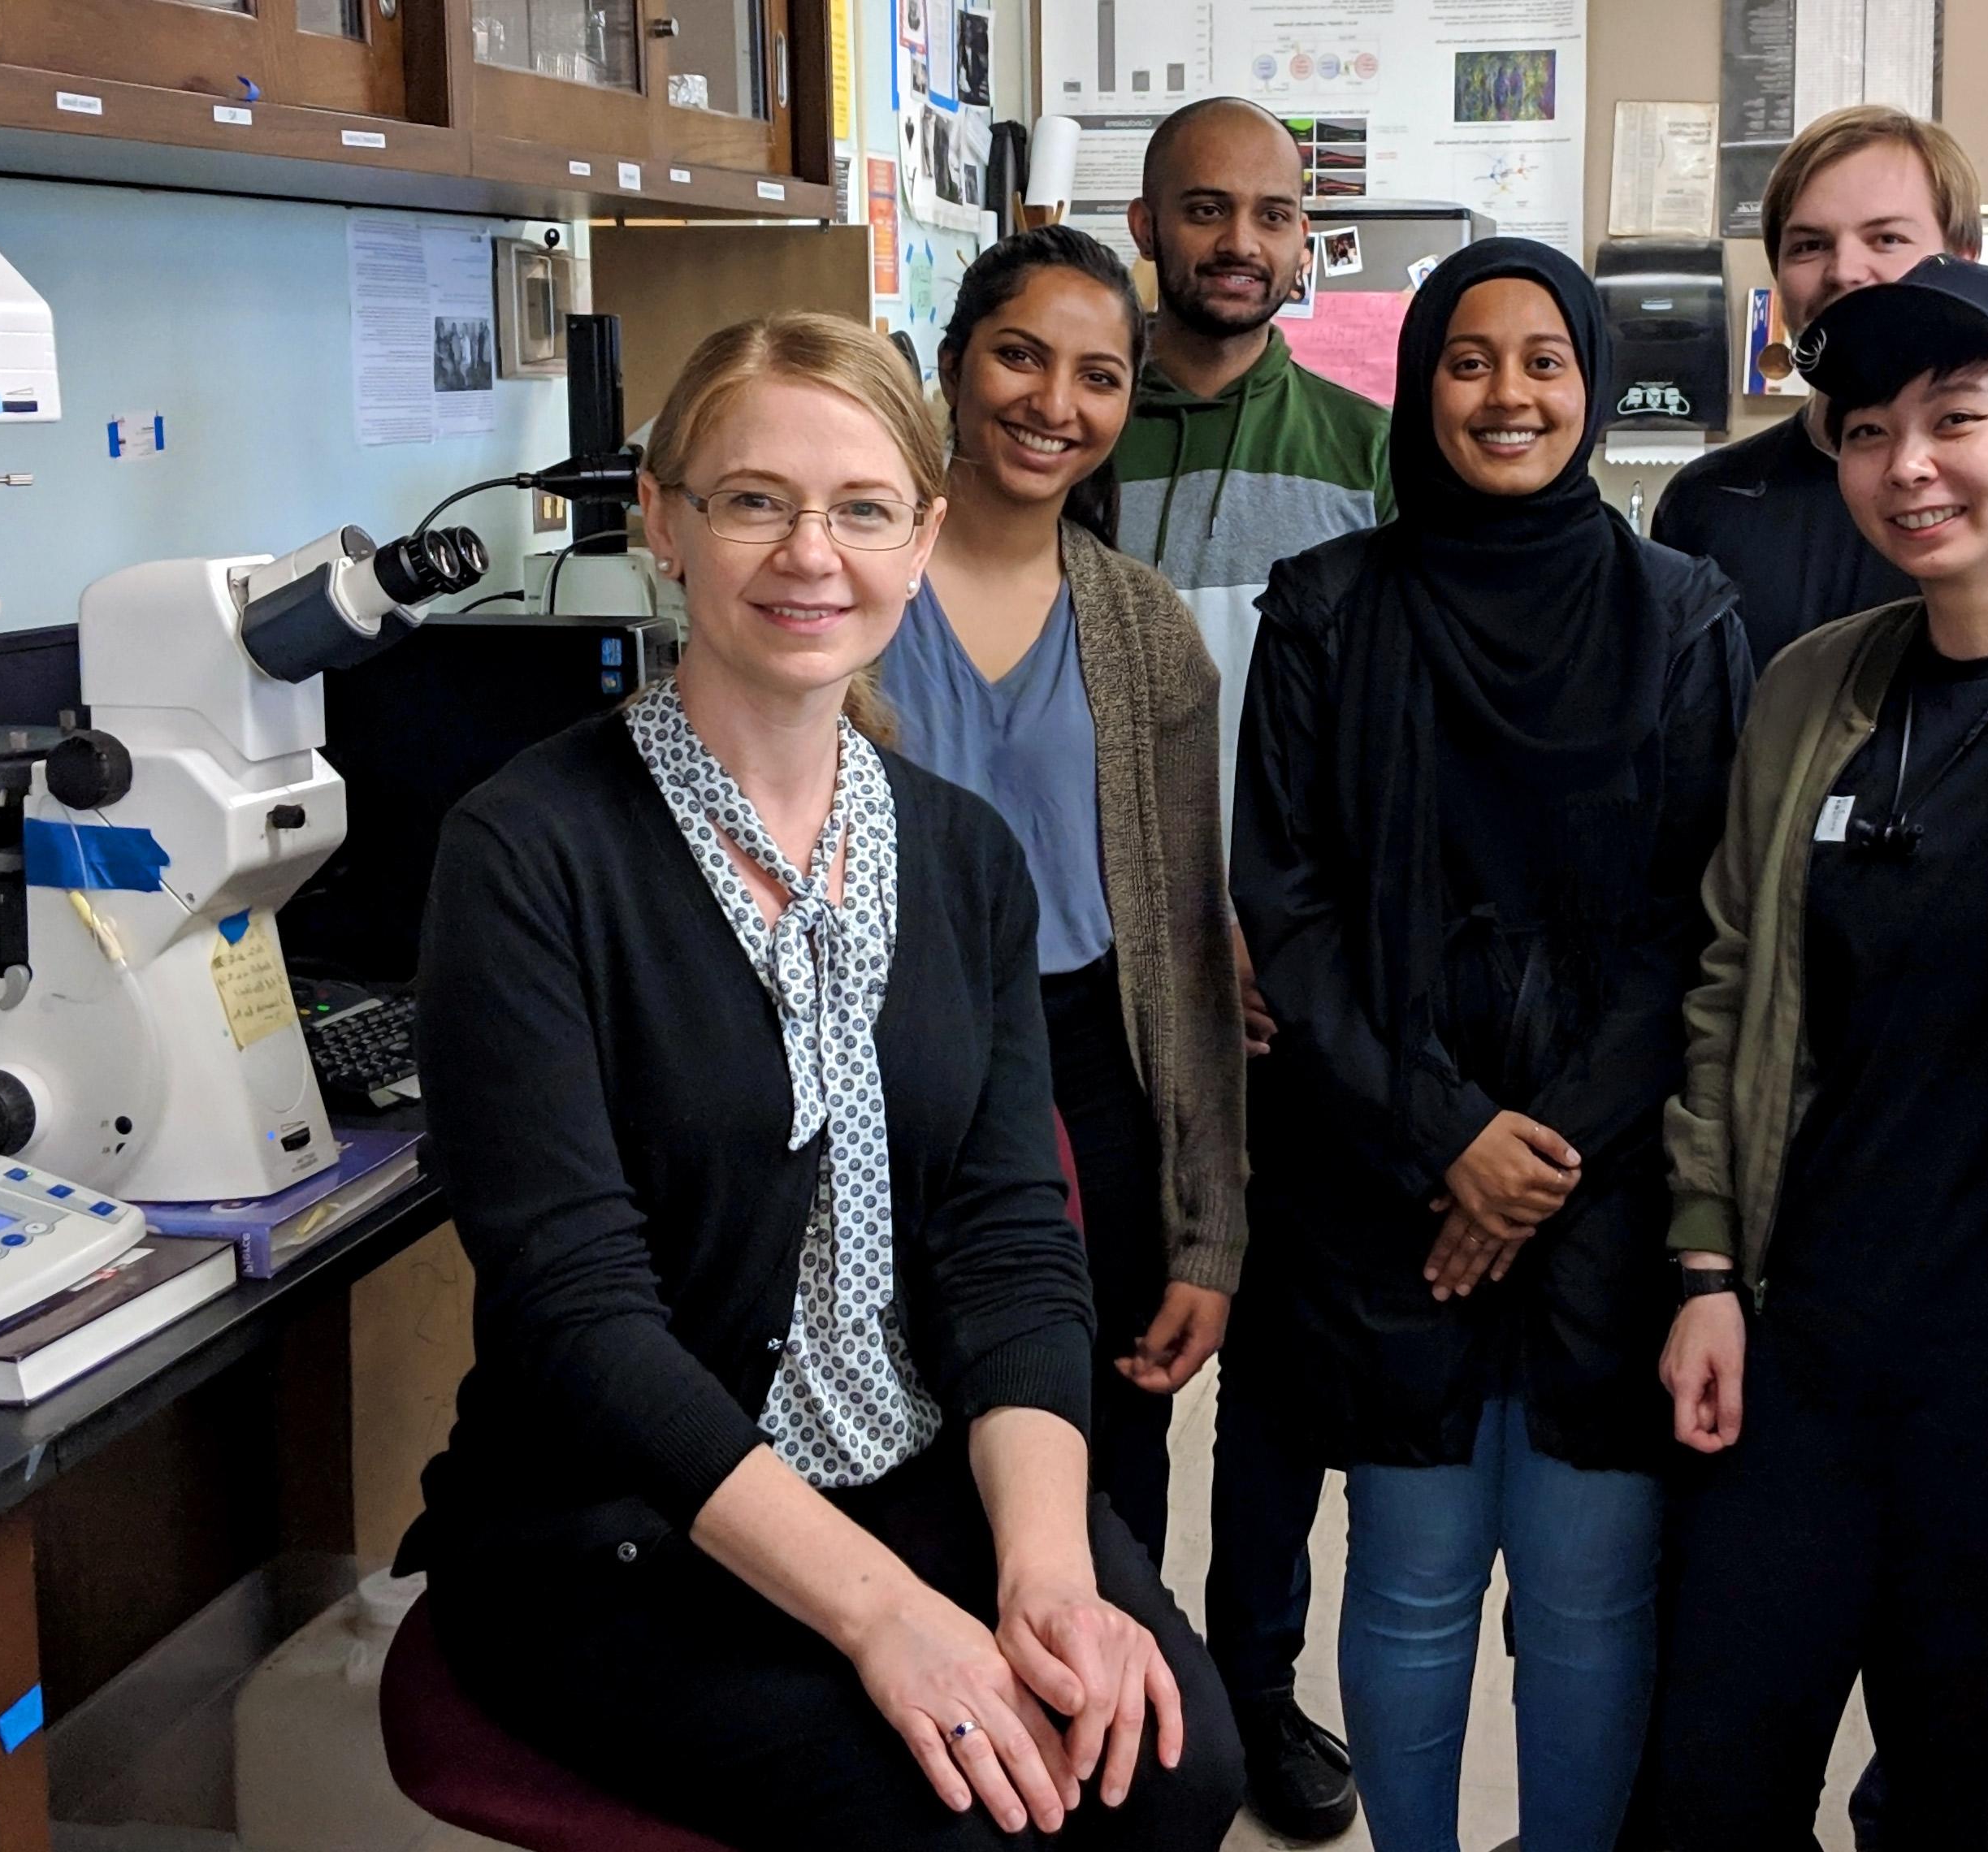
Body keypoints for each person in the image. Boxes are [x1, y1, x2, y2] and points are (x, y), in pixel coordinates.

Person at [405, 309, 1243, 1851]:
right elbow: (576, 1315)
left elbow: (1008, 1246)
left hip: (917, 1466)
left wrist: (1045, 1573)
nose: (811, 554)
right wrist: (884, 1620)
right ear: (663, 523)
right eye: (752, 500)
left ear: (921, 536)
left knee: (1172, 1771)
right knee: (968, 1820)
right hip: (628, 1520)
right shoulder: (527, 853)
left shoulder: (959, 857)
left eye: (861, 509)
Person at [1234, 236, 1748, 1852]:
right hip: (1389, 1178)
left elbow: (1695, 922)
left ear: (1590, 387)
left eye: (1543, 360)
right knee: (1408, 1580)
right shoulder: (1327, 609)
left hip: (1600, 1186)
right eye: (1469, 359)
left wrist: (1536, 1157)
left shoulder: (1683, 616)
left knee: (1590, 1595)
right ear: (1418, 384)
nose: (1506, 393)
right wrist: (1444, 1136)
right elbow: (1286, 905)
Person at [1650, 257, 1988, 1850]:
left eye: (1955, 418)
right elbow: (1733, 976)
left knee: (1965, 1801)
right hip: (1807, 1347)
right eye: (1867, 430)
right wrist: (1706, 1265)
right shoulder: (1817, 684)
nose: (1908, 465)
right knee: (1705, 1785)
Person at [879, 225, 1249, 1568]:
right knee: (902, 1442)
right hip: (883, 1066)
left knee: (1099, 1467)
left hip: (1090, 1075)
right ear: (955, 364)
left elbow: (1191, 955)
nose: (1053, 402)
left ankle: (1106, 1761)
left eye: (1097, 376)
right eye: (1020, 356)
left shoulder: (1146, 631)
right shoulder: (851, 587)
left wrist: (1208, 1234)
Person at [1115, 91, 1391, 1841]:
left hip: (1286, 993)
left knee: (1280, 1376)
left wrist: (1300, 937)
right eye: (1203, 211)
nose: (1239, 244)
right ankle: (1107, 1659)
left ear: (1308, 241)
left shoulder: (1367, 449)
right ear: (1145, 224)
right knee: (1108, 1351)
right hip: (1087, 985)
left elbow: (1381, 738)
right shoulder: (1059, 418)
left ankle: (1252, 1679)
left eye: (1271, 215)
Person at [1651, 105, 1988, 672]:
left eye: (1885, 238)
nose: (1845, 271)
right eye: (1809, 245)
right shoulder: (1710, 501)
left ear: (1964, 261)